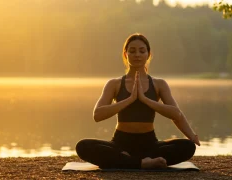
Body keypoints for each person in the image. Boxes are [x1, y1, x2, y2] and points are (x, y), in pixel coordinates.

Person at [76, 33, 200, 169]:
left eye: (142, 51)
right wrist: (129, 100)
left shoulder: (159, 84)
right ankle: (142, 163)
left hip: (150, 144)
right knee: (83, 146)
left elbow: (176, 115)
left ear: (148, 54)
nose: (137, 55)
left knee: (187, 146)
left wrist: (146, 99)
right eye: (132, 51)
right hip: (120, 142)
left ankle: (127, 161)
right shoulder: (114, 84)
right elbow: (98, 115)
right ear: (125, 54)